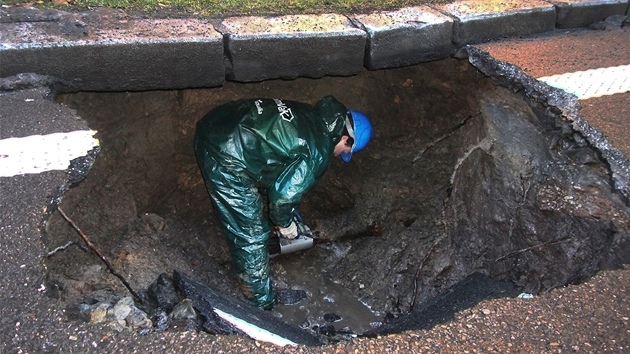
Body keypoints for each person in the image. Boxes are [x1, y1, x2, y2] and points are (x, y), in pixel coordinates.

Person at [193, 95, 372, 309]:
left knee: (255, 203)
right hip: (225, 155)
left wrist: (290, 212)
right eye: (346, 151)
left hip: (217, 123)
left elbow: (276, 163)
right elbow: (282, 198)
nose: (340, 155)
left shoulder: (309, 113)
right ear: (346, 139)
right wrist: (285, 225)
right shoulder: (319, 149)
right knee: (252, 234)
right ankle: (261, 307)